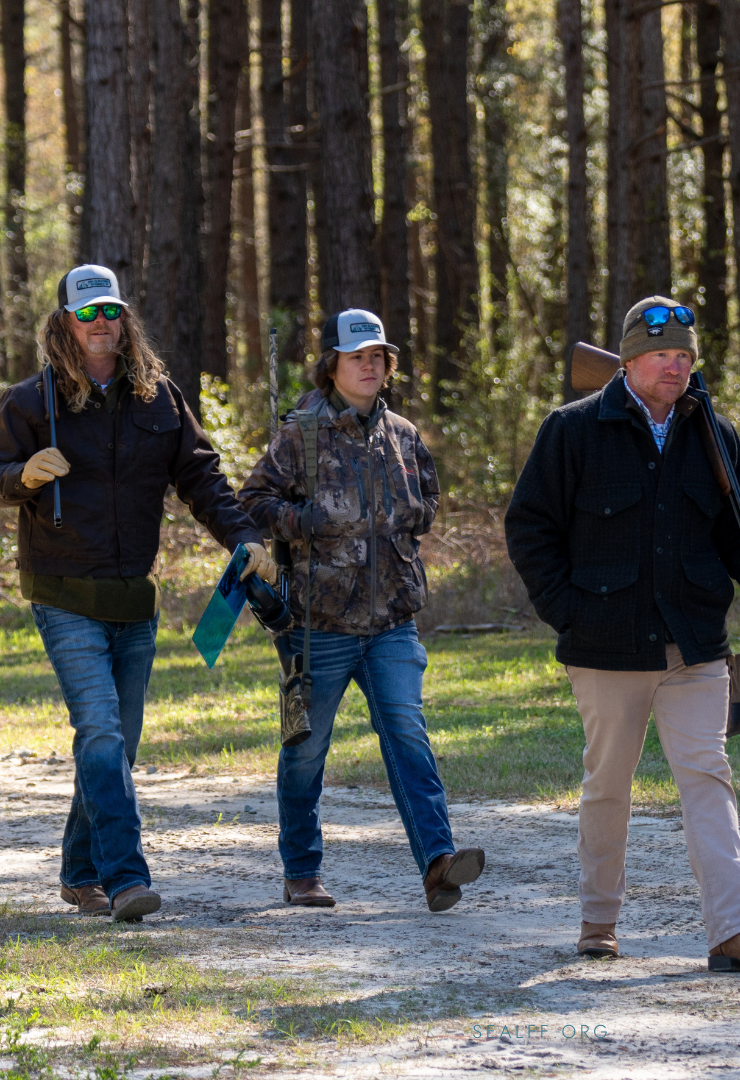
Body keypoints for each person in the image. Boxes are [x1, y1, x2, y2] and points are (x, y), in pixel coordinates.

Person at [504, 296, 740, 971]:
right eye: (661, 354)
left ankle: (734, 929)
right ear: (630, 359)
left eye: (684, 356)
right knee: (609, 784)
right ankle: (598, 922)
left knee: (709, 778)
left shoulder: (713, 435)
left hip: (695, 644)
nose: (675, 366)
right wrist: (570, 612)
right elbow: (529, 528)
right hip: (604, 646)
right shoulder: (573, 430)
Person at [0, 264, 273, 921]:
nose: (101, 325)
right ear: (64, 321)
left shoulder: (158, 399)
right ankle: (127, 879)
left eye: (111, 312)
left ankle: (77, 871)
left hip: (133, 602)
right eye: (87, 314)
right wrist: (22, 476)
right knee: (99, 734)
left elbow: (203, 480)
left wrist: (247, 540)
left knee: (116, 744)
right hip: (62, 594)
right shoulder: (30, 402)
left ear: (124, 319)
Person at [239, 309, 485, 911]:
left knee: (407, 736)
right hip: (319, 625)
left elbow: (427, 498)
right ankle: (302, 870)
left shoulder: (401, 432)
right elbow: (254, 499)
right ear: (332, 368)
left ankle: (438, 864)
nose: (370, 365)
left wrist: (405, 521)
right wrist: (306, 523)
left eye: (378, 355)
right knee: (306, 750)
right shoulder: (301, 433)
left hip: (392, 621)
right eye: (357, 357)